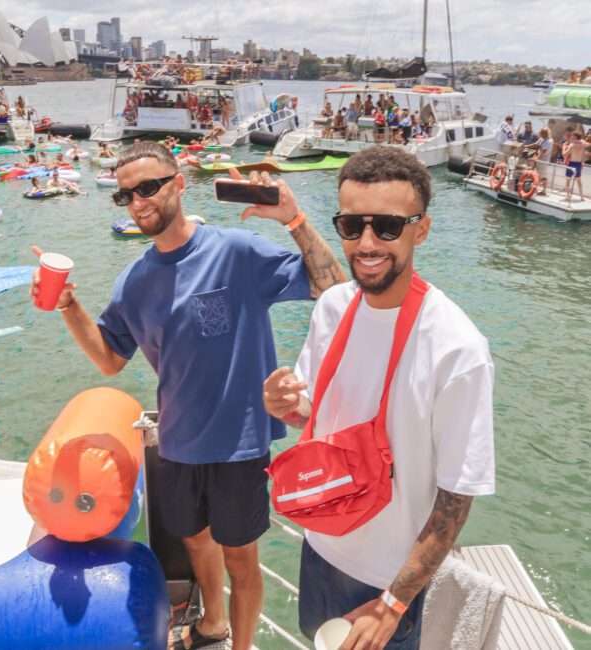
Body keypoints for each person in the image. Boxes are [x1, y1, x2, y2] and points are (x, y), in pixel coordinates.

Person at [29, 141, 346, 650]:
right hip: (176, 445)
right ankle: (213, 623)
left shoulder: (237, 251)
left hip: (239, 445)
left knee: (241, 560)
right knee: (197, 543)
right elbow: (110, 357)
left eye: (148, 187)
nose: (138, 201)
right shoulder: (133, 282)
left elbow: (328, 284)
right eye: (126, 195)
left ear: (180, 183)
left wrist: (294, 220)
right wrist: (69, 306)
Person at [262, 146, 495, 650]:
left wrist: (393, 603)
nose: (367, 243)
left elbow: (456, 499)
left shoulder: (457, 348)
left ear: (421, 229)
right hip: (320, 543)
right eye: (351, 226)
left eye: (387, 227)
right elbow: (315, 413)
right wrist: (284, 403)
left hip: (387, 580)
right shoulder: (332, 306)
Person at [562, 130, 589, 200]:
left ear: (575, 136)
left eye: (573, 135)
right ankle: (581, 197)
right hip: (579, 164)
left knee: (568, 180)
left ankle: (568, 197)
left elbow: (564, 154)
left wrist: (564, 147)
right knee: (579, 181)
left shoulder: (572, 145)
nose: (571, 137)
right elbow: (587, 144)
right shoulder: (583, 144)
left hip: (572, 163)